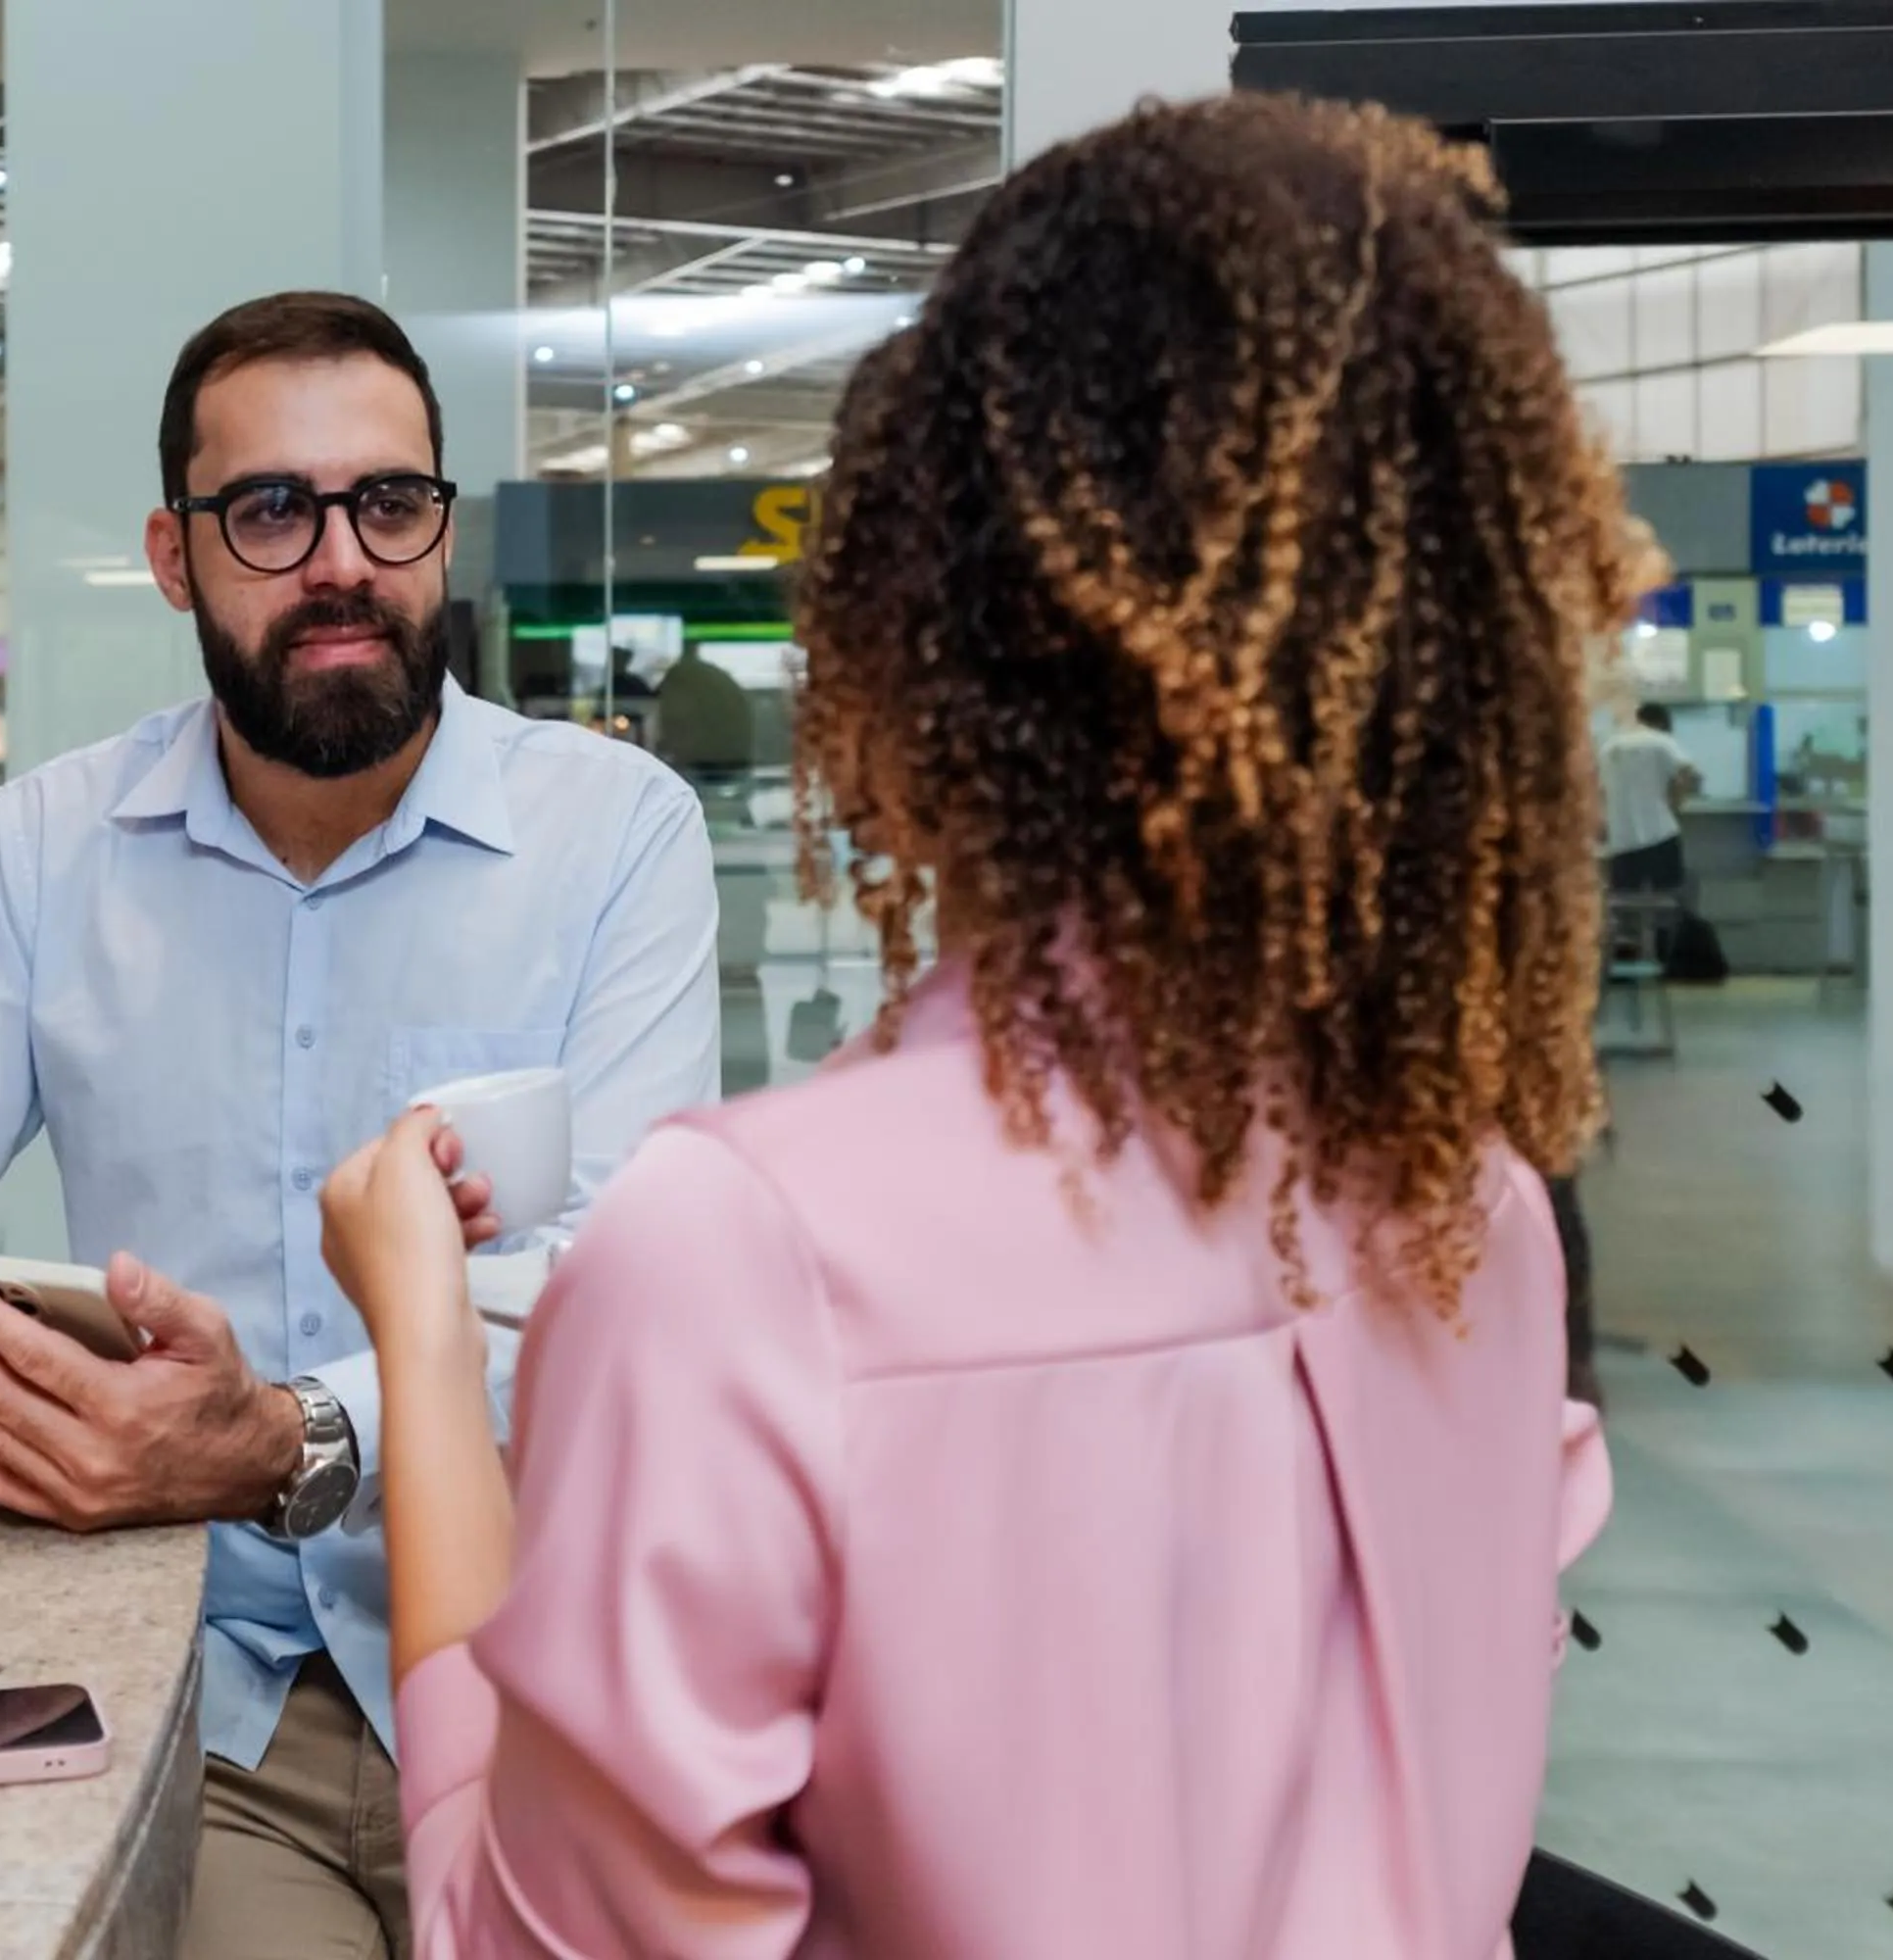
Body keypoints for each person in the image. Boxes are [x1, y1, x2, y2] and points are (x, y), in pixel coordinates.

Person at [317, 96, 1626, 1958]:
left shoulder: (755, 1261)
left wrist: (426, 1338)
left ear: (916, 623)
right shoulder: (1472, 1209)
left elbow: (512, 1937)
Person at [0, 292, 722, 1959]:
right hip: (223, 1713)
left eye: (390, 503)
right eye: (273, 511)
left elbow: (634, 1310)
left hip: (551, 1687)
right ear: (175, 555)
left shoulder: (616, 838)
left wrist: (290, 1438)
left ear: (443, 530)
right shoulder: (48, 853)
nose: (342, 561)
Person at [1600, 702, 1698, 894]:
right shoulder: (1661, 740)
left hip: (1621, 839)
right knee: (1668, 897)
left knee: (1624, 899)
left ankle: (1630, 915)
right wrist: (1676, 801)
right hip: (1660, 834)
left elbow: (1600, 788)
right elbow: (1688, 772)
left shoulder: (1609, 746)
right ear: (1662, 723)